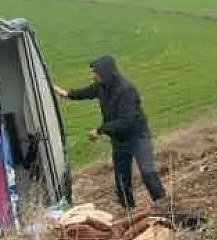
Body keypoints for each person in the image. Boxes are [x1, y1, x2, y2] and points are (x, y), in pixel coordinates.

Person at [53, 55, 167, 212]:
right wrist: (66, 94)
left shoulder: (126, 90)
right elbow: (85, 92)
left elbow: (127, 121)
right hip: (119, 139)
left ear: (106, 72)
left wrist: (100, 130)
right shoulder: (102, 86)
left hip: (137, 136)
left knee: (147, 171)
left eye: (95, 72)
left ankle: (163, 204)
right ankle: (128, 210)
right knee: (121, 178)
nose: (93, 75)